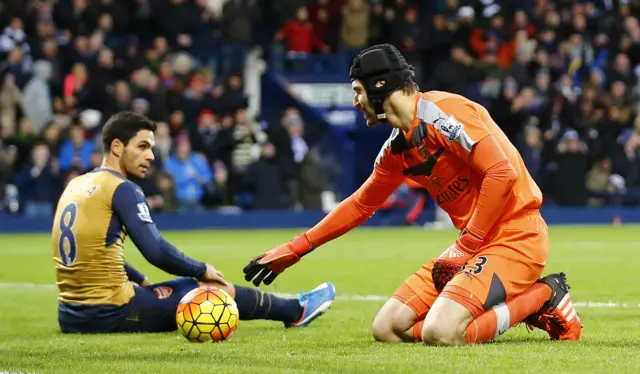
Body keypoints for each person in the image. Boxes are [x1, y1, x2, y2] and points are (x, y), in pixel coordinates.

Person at [243, 44, 581, 345]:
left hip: (516, 236)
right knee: (387, 328)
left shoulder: (445, 112)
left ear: (380, 87)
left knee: (442, 333)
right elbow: (361, 205)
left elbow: (501, 172)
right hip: (473, 247)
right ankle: (469, 316)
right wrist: (295, 249)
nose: (355, 101)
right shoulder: (396, 151)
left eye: (358, 91)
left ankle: (543, 294)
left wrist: (466, 245)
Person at [52, 111, 336, 334]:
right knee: (207, 286)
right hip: (110, 311)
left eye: (151, 147)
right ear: (116, 147)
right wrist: (202, 269)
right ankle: (295, 311)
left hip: (70, 316)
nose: (150, 155)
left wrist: (140, 281)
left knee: (179, 286)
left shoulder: (76, 185)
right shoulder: (122, 188)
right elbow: (157, 251)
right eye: (142, 146)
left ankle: (293, 309)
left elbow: (92, 253)